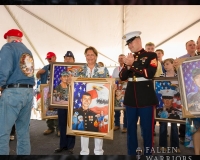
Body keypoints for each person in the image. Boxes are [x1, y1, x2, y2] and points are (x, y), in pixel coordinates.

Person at [120, 31, 158, 155]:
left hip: (146, 98)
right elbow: (122, 77)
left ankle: (148, 155)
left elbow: (149, 74)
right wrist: (126, 65)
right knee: (131, 129)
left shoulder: (151, 55)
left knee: (147, 130)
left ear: (138, 41)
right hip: (131, 98)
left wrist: (133, 65)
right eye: (128, 44)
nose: (129, 46)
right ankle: (132, 154)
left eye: (130, 43)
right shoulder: (129, 57)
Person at [0, 29, 35, 155]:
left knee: (2, 133)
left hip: (13, 92)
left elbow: (4, 69)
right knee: (23, 132)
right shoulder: (28, 51)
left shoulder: (8, 47)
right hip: (28, 92)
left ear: (9, 37)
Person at [77, 46, 109, 155]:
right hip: (85, 101)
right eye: (88, 54)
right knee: (84, 127)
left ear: (96, 56)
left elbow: (108, 84)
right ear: (85, 56)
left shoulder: (103, 69)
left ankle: (98, 151)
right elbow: (75, 84)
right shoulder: (80, 70)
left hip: (97, 102)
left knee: (97, 125)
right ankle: (84, 151)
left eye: (92, 55)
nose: (90, 57)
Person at [174, 39, 197, 145]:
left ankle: (196, 138)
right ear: (186, 47)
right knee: (185, 114)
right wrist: (175, 67)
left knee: (197, 115)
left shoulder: (199, 58)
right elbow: (176, 74)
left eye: (194, 44)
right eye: (190, 45)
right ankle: (183, 136)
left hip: (198, 91)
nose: (192, 46)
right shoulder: (181, 60)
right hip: (186, 92)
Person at [54, 51, 76, 154]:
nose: (67, 60)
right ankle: (62, 145)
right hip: (61, 104)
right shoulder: (59, 69)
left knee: (71, 125)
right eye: (66, 58)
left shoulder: (77, 71)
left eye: (70, 58)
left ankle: (70, 146)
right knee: (62, 125)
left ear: (73, 60)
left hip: (72, 103)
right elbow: (55, 86)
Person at [36, 52, 59, 136]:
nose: (49, 60)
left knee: (57, 109)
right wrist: (39, 72)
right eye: (48, 59)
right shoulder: (45, 67)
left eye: (50, 58)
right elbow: (37, 76)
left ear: (54, 57)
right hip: (46, 91)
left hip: (57, 91)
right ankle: (50, 127)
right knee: (48, 109)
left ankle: (58, 128)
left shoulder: (59, 67)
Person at [185, 67, 200, 155]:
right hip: (196, 116)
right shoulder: (191, 96)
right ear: (194, 81)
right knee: (196, 130)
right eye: (197, 77)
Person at [112, 54, 127, 133]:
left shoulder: (128, 68)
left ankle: (125, 126)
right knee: (116, 109)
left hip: (126, 92)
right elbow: (113, 80)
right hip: (117, 92)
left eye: (122, 58)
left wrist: (124, 80)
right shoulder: (115, 69)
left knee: (125, 109)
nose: (121, 59)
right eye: (119, 58)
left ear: (125, 59)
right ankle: (117, 124)